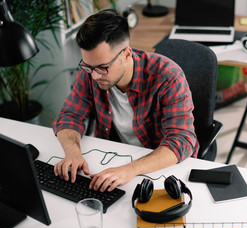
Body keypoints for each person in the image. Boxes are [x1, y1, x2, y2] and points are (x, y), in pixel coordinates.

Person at [52, 9, 199, 192]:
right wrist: (72, 154)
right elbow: (69, 116)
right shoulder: (91, 72)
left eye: (103, 68)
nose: (95, 76)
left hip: (160, 167)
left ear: (127, 54)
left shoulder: (168, 77)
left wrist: (130, 170)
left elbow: (181, 141)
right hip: (116, 158)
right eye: (88, 66)